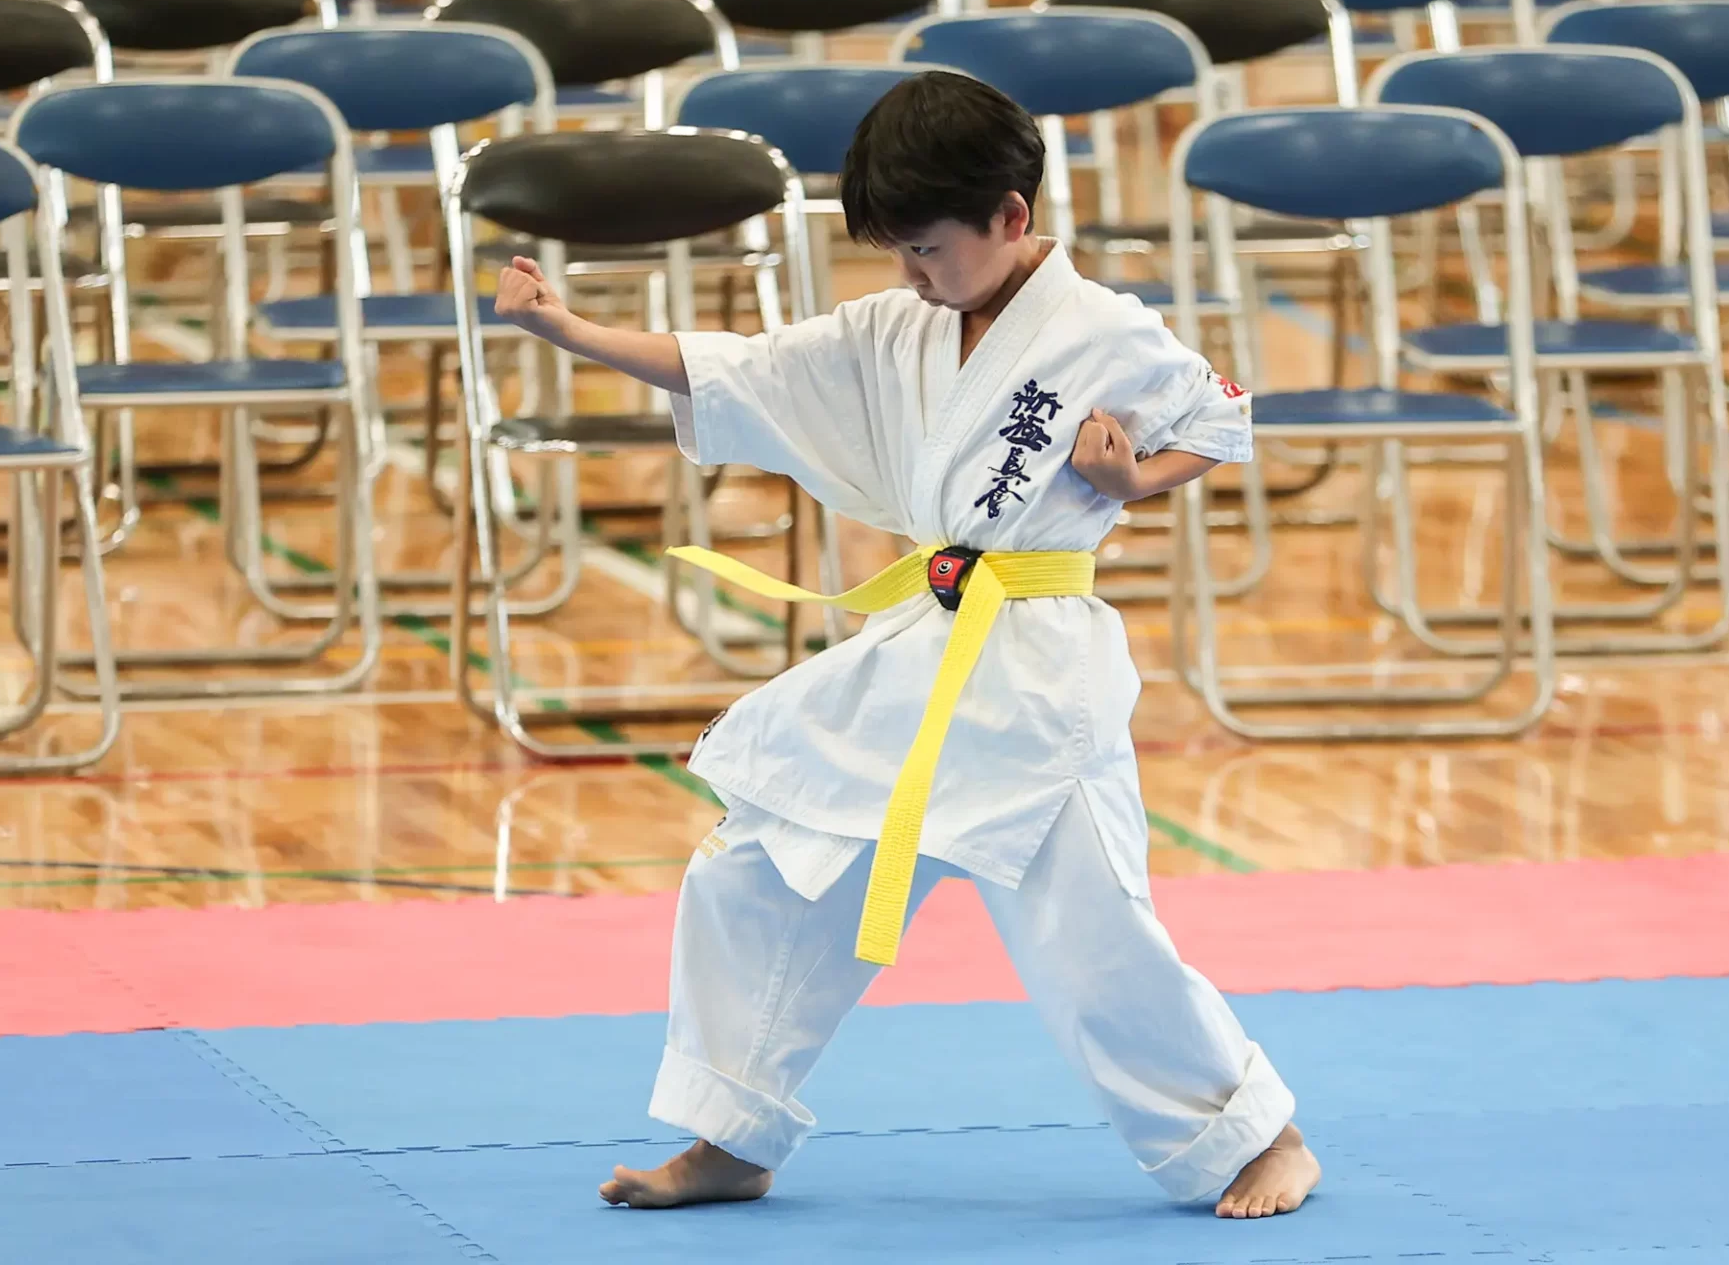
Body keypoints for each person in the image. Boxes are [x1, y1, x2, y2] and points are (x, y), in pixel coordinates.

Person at [492, 70, 1321, 1221]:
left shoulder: (1104, 331)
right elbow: (744, 366)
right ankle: (732, 1132)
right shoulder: (902, 327)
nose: (910, 276)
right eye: (898, 253)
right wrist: (567, 328)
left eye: (926, 249)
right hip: (926, 650)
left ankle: (1260, 1135)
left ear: (1011, 217)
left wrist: (1133, 478)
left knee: (1091, 935)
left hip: (1039, 675)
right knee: (758, 865)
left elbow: (1220, 417)